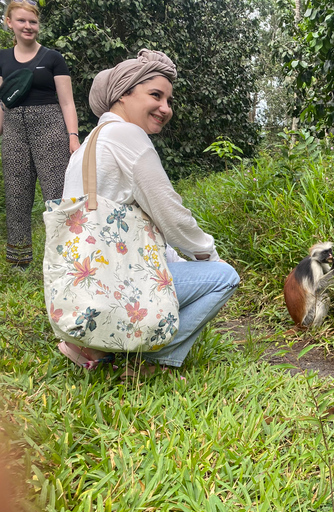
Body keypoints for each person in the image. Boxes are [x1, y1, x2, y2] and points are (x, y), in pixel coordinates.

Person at [57, 49, 240, 377]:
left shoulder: (86, 148)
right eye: (155, 95)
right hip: (118, 287)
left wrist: (181, 263)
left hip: (83, 292)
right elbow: (171, 215)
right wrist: (209, 256)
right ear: (123, 95)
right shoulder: (127, 135)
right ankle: (152, 361)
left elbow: (140, 227)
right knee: (224, 277)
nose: (165, 108)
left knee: (176, 268)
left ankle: (96, 347)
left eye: (169, 100)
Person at [0, 0, 80, 269]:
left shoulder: (53, 58)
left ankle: (66, 257)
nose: (28, 26)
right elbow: (1, 102)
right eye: (21, 20)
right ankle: (19, 261)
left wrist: (73, 136)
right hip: (13, 132)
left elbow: (67, 102)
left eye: (32, 22)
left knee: (57, 194)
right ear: (9, 22)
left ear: (38, 25)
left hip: (50, 129)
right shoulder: (1, 59)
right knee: (16, 194)